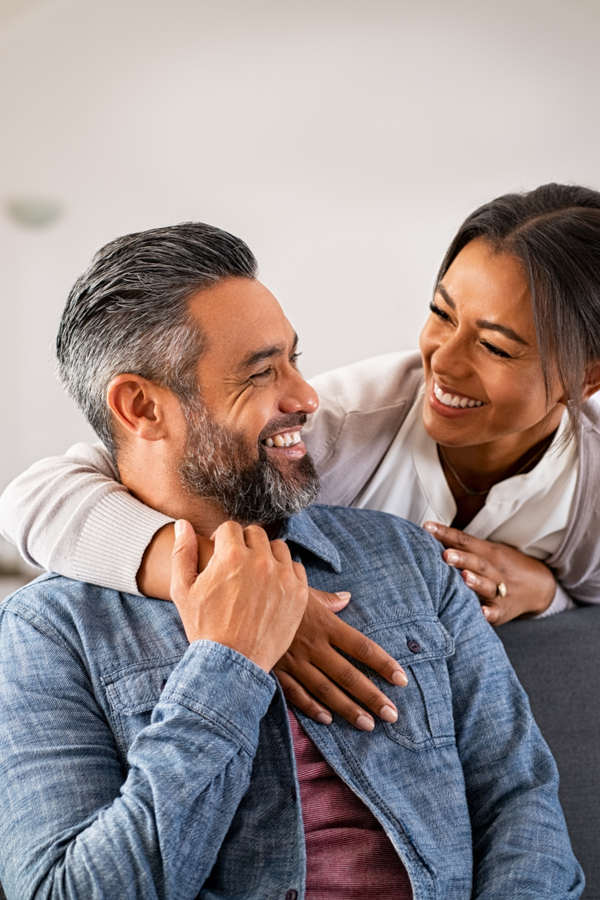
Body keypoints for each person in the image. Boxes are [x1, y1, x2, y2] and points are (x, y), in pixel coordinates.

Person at [0, 223, 583, 898]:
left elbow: (521, 801)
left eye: (296, 360)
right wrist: (229, 664)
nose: (307, 397)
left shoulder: (407, 560)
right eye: (260, 372)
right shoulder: (48, 632)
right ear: (141, 407)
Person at [2, 182, 600, 731]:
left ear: (587, 375)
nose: (442, 361)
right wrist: (241, 590)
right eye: (442, 313)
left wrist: (546, 592)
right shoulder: (334, 426)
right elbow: (38, 498)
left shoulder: (588, 493)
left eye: (495, 345)